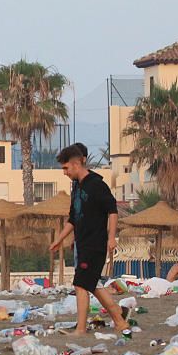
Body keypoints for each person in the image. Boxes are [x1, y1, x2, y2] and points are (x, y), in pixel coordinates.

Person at [50, 143, 129, 335]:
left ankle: (81, 329)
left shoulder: (96, 184)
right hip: (83, 243)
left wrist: (112, 237)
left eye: (66, 168)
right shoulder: (76, 187)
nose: (64, 172)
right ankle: (120, 321)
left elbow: (112, 210)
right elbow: (73, 218)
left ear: (77, 164)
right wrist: (60, 239)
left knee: (80, 284)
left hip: (95, 244)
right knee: (92, 284)